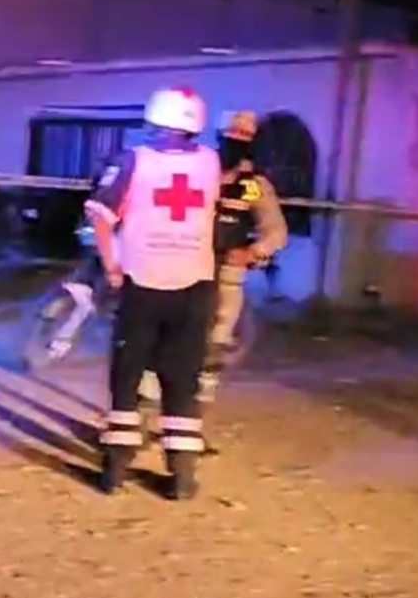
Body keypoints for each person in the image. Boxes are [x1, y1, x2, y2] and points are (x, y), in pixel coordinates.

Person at [85, 86, 221, 500]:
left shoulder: (134, 159)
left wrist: (111, 265)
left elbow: (100, 215)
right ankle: (181, 476)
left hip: (141, 279)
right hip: (196, 282)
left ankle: (115, 469)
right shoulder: (211, 161)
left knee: (128, 374)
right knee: (182, 377)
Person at [200, 111, 288, 403]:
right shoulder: (198, 172)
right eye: (231, 137)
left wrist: (252, 251)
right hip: (188, 263)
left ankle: (200, 395)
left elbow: (276, 232)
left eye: (244, 138)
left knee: (219, 333)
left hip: (227, 270)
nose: (236, 144)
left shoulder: (254, 185)